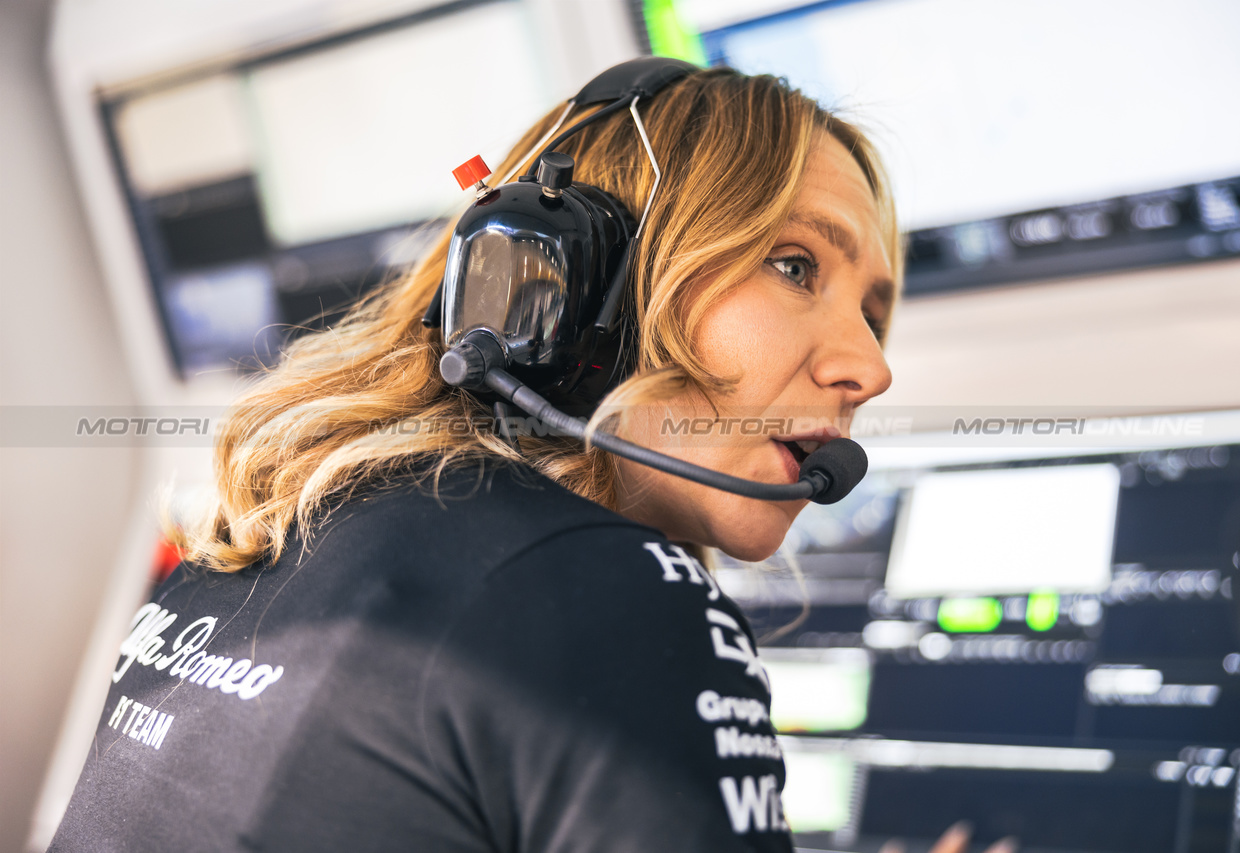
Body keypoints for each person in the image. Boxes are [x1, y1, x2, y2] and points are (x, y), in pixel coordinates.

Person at [47, 61, 982, 852]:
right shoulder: (610, 590)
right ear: (582, 279)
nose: (870, 365)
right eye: (794, 265)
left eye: (870, 308)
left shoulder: (263, 533)